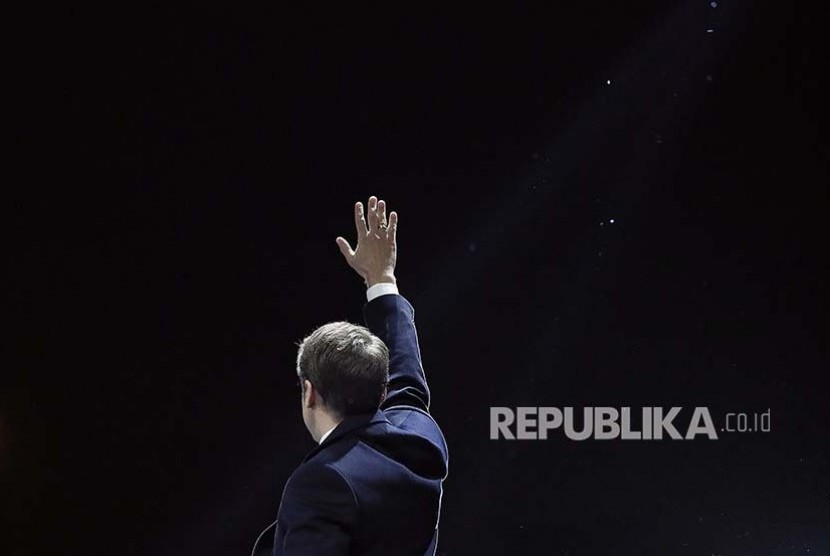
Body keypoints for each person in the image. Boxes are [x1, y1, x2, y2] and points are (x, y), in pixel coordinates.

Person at [252, 196, 449, 555]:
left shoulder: (322, 482)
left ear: (309, 392)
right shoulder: (419, 440)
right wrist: (382, 279)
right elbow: (408, 384)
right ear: (382, 388)